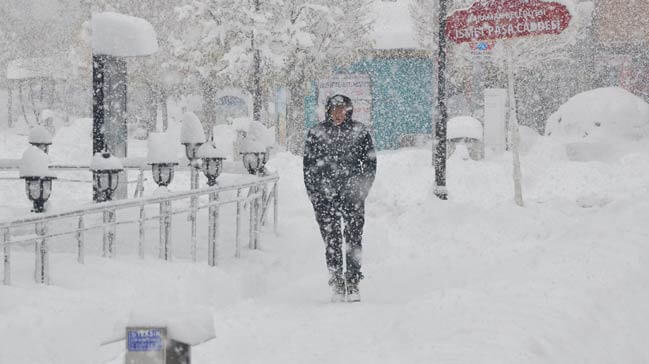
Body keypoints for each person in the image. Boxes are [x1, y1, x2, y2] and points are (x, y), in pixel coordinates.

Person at [303, 94, 377, 302]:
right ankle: (336, 281)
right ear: (328, 110)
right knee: (332, 241)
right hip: (325, 198)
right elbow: (309, 168)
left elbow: (370, 164)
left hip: (352, 196)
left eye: (342, 109)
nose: (338, 113)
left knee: (353, 239)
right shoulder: (316, 133)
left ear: (349, 110)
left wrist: (361, 190)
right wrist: (315, 195)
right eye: (334, 109)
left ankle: (353, 282)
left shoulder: (360, 132)